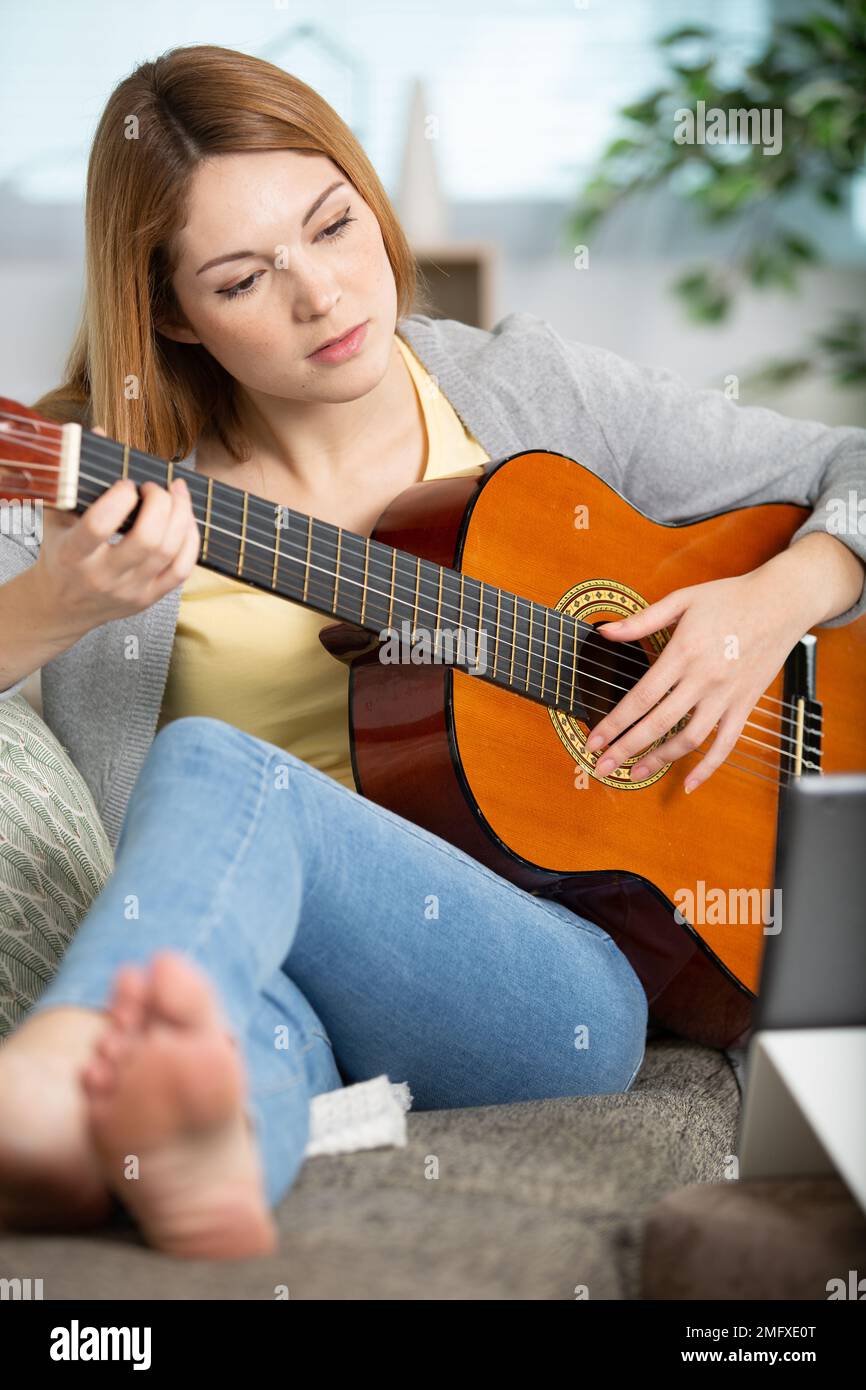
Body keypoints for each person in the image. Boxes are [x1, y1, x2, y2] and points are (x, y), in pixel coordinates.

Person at [0, 44, 863, 1261]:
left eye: (335, 223)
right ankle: (194, 1146)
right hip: (258, 957)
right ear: (169, 317)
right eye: (245, 278)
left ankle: (48, 1070)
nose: (324, 295)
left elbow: (852, 465)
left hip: (552, 985)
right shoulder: (93, 473)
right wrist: (55, 604)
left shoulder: (525, 388)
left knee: (216, 762)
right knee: (227, 1032)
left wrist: (771, 601)